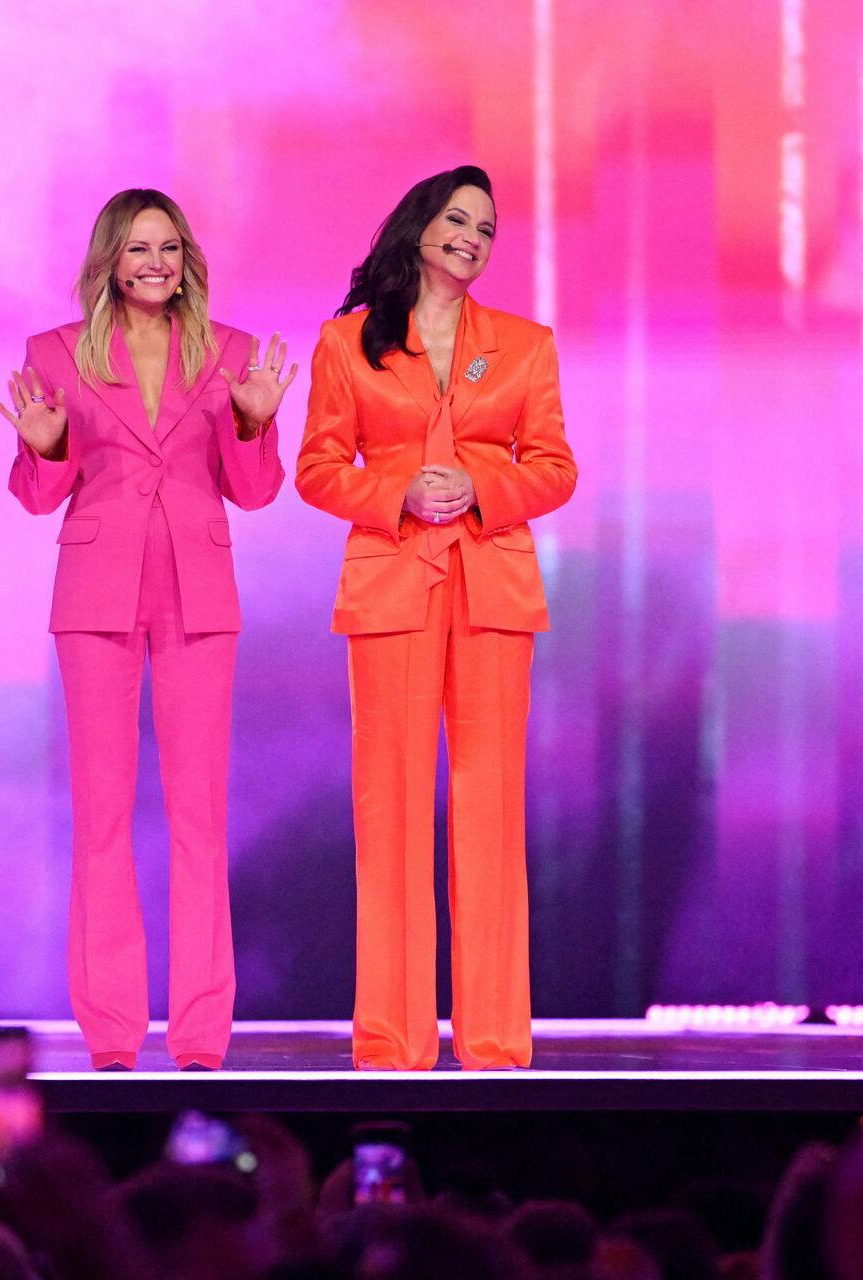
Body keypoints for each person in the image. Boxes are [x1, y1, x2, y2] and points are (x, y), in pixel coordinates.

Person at [2, 188, 292, 1071]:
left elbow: (256, 489)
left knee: (200, 818)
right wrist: (47, 446)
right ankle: (112, 1034)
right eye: (136, 249)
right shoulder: (54, 352)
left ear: (187, 259)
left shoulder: (232, 353)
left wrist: (253, 421)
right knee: (100, 817)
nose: (154, 262)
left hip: (199, 591)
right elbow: (35, 494)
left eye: (168, 246)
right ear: (109, 262)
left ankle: (201, 1035)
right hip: (96, 590)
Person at [295, 165, 576, 1071]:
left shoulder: (526, 345)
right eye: (458, 220)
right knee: (392, 816)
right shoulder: (349, 345)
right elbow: (318, 468)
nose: (473, 238)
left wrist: (484, 486)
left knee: (490, 813)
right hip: (391, 583)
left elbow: (556, 467)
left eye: (488, 229)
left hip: (492, 584)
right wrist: (401, 489)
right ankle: (392, 1040)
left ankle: (494, 1040)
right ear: (418, 226)